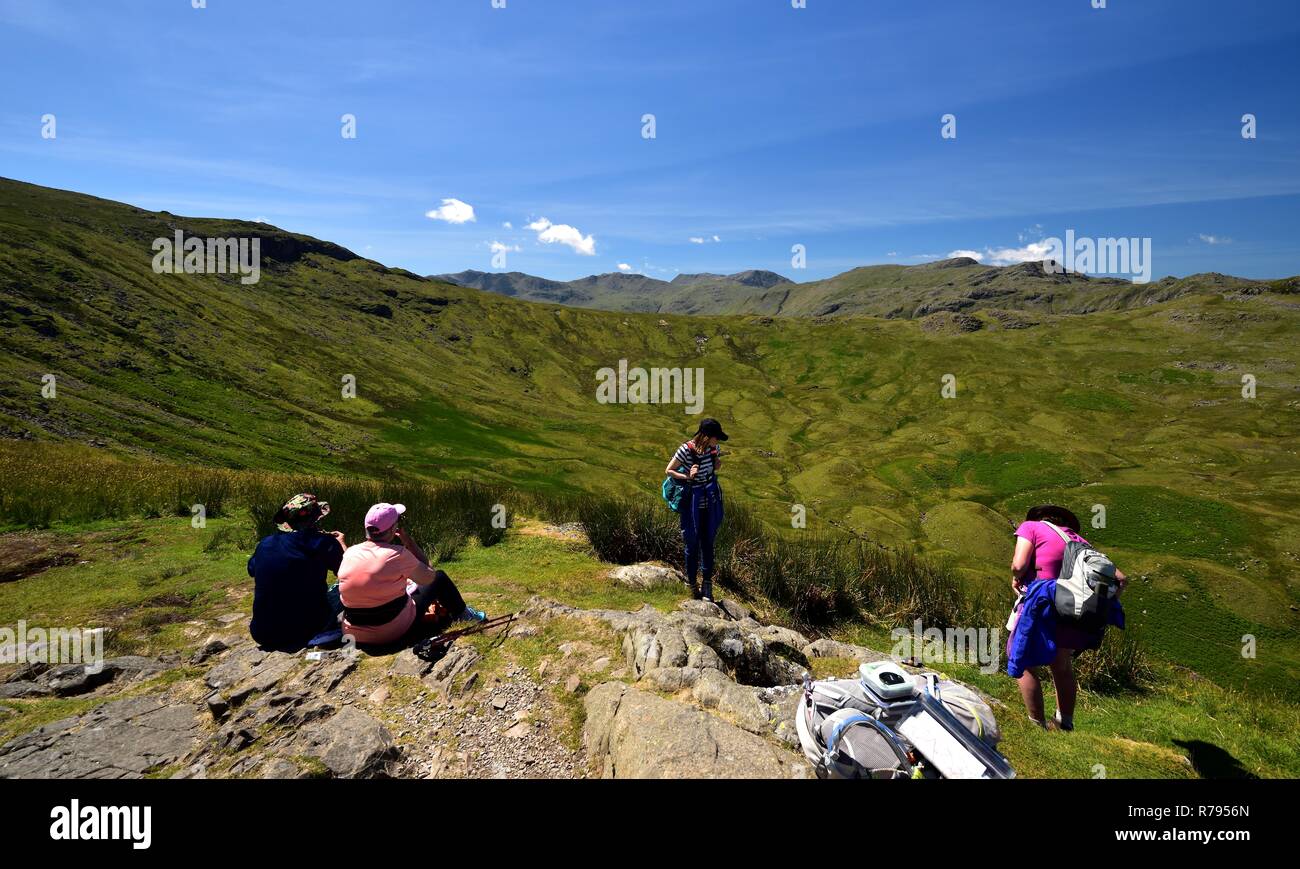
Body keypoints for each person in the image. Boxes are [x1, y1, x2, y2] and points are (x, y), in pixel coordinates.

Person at [1006, 504, 1127, 731]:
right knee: (1061, 666)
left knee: (1025, 661)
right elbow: (1120, 579)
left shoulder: (1031, 527)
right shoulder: (1081, 542)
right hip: (1073, 609)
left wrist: (1016, 577)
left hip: (1042, 606)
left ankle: (1037, 724)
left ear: (1040, 518)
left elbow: (1019, 564)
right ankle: (1065, 723)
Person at [338, 502, 486, 647]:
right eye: (398, 521)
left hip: (354, 634)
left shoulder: (350, 552)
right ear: (392, 529)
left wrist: (342, 543)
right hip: (390, 632)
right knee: (440, 577)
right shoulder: (397, 554)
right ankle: (464, 615)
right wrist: (407, 540)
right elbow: (429, 576)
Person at [248, 493, 347, 652]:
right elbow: (350, 573)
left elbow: (252, 570)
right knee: (341, 589)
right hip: (304, 631)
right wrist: (341, 544)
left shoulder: (265, 544)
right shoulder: (322, 542)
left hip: (262, 633)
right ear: (315, 519)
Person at [664, 418, 728, 602]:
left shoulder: (714, 449)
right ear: (707, 436)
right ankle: (691, 585)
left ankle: (707, 585)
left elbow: (714, 468)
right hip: (692, 503)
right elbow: (669, 470)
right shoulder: (685, 450)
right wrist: (686, 475)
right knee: (691, 544)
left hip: (710, 503)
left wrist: (717, 463)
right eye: (717, 437)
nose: (719, 441)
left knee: (708, 543)